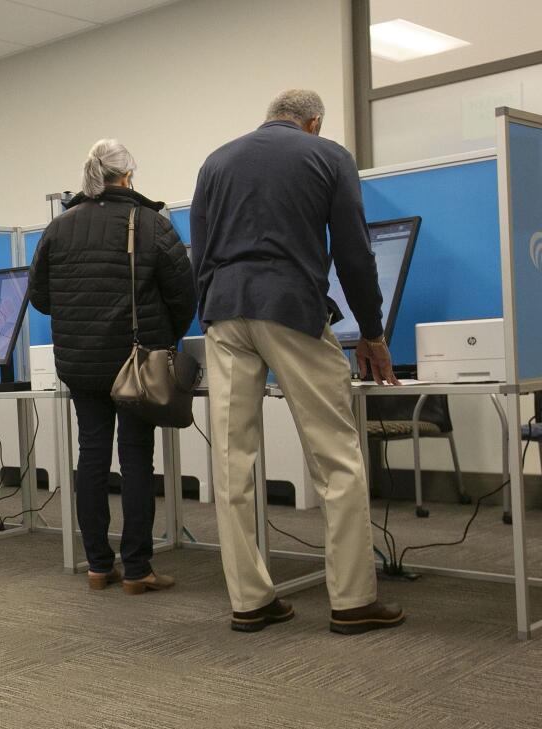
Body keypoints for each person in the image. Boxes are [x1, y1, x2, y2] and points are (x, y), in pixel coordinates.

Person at [190, 89, 405, 634]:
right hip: (289, 307)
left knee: (232, 464)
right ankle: (353, 600)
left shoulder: (216, 161)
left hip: (224, 314)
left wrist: (212, 312)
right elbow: (354, 253)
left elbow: (200, 250)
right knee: (337, 455)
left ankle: (250, 601)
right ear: (313, 123)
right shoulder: (328, 155)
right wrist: (372, 332)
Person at [29, 139, 197, 594]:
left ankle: (99, 565)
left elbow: (41, 298)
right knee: (137, 457)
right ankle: (139, 568)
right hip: (135, 361)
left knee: (92, 456)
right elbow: (184, 294)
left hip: (80, 364)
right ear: (127, 177)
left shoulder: (57, 228)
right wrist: (164, 339)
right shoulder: (150, 224)